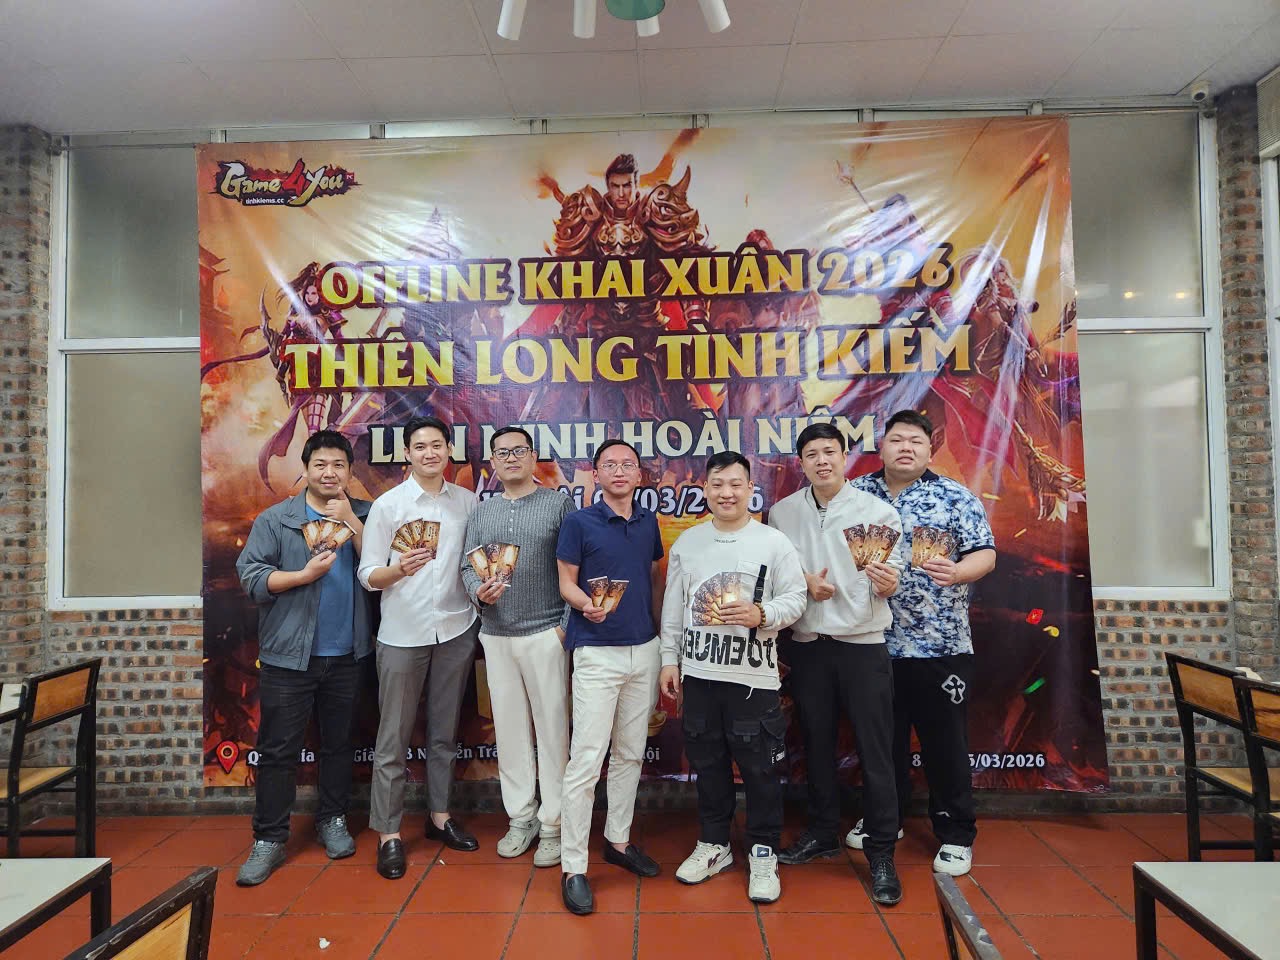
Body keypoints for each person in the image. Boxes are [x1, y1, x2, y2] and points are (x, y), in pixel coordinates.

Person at [850, 410, 997, 877]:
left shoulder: (954, 496)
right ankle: (885, 819)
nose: (906, 448)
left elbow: (986, 553)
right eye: (897, 440)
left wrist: (959, 571)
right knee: (881, 742)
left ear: (930, 449)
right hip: (871, 642)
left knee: (944, 742)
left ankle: (956, 832)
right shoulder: (858, 495)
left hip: (940, 644)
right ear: (882, 446)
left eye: (915, 441)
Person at [658, 451, 807, 904]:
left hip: (753, 678)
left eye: (736, 484)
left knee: (760, 769)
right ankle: (714, 843)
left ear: (750, 490)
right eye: (718, 484)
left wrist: (763, 613)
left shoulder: (773, 543)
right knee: (708, 766)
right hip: (699, 673)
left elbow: (797, 598)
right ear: (705, 489)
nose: (727, 493)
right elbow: (674, 607)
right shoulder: (688, 543)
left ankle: (763, 850)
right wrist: (669, 659)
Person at [767, 423, 904, 906]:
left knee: (876, 751)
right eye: (812, 454)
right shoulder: (782, 513)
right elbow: (776, 575)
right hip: (808, 644)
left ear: (845, 456)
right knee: (816, 745)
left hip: (862, 644)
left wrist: (889, 583)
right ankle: (823, 832)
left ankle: (882, 852)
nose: (822, 460)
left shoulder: (877, 511)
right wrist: (804, 581)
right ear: (800, 462)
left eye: (830, 451)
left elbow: (894, 577)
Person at [234, 430, 371, 886]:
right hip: (288, 657)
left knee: (339, 744)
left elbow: (381, 566)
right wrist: (302, 575)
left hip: (349, 653)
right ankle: (269, 837)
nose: (330, 473)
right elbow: (252, 577)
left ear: (350, 471)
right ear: (307, 469)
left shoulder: (366, 514)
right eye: (321, 465)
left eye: (339, 465)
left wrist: (351, 520)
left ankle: (333, 818)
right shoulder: (277, 520)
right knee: (278, 750)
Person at [359, 415, 481, 880]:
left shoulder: (467, 502)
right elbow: (368, 575)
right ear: (406, 454)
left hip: (455, 628)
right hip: (402, 633)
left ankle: (439, 816)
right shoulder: (388, 506)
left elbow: (476, 561)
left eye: (437, 445)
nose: (430, 453)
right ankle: (389, 833)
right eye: (420, 446)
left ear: (448, 451)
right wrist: (398, 569)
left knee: (444, 733)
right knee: (393, 737)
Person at [556, 439, 665, 915]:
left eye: (628, 464)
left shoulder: (648, 522)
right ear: (596, 474)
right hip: (597, 651)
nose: (619, 471)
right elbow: (566, 582)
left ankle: (618, 841)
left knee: (630, 754)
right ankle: (573, 866)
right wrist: (586, 605)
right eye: (609, 465)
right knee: (586, 759)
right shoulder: (579, 522)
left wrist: (661, 641)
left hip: (644, 649)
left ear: (639, 475)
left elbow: (654, 579)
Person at [460, 427, 575, 867]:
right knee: (508, 732)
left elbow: (576, 566)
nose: (511, 458)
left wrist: (563, 628)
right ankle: (521, 817)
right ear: (492, 461)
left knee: (553, 732)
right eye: (502, 453)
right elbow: (466, 566)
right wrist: (477, 593)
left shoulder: (557, 504)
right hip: (496, 635)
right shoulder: (482, 511)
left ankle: (554, 824)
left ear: (532, 457)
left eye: (519, 451)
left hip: (546, 633)